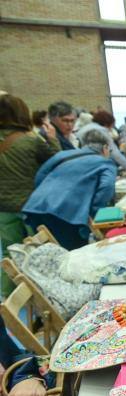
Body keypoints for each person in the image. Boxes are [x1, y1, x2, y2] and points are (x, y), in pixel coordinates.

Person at [0, 94, 60, 297]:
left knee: (9, 254)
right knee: (37, 254)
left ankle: (9, 301)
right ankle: (46, 298)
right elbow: (56, 163)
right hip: (30, 205)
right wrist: (53, 140)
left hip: (3, 207)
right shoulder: (31, 140)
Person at [23, 129, 116, 250]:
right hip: (68, 213)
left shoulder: (62, 154)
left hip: (36, 207)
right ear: (105, 148)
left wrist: (42, 196)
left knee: (49, 252)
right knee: (73, 254)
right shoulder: (105, 162)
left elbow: (40, 175)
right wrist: (95, 212)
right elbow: (106, 187)